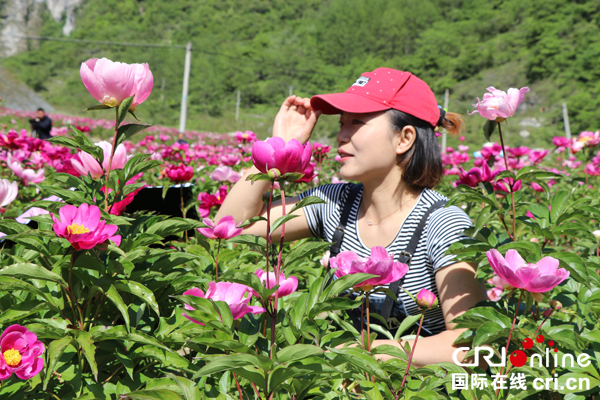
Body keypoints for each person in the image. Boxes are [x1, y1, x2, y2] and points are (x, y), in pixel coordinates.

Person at [216, 68, 488, 367]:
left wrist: (367, 350)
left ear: (404, 138)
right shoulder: (336, 203)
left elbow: (471, 346)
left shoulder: (442, 224)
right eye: (341, 123)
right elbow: (231, 228)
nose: (341, 135)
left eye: (357, 122)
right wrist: (279, 148)